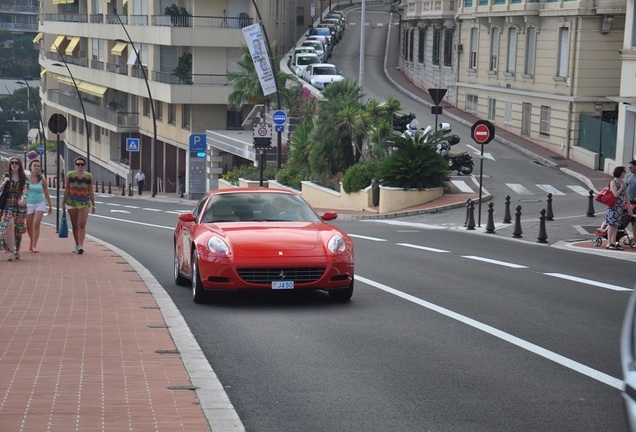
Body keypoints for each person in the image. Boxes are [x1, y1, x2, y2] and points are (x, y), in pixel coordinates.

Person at [62, 156, 96, 254]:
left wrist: (93, 204)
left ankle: (81, 245)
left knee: (82, 224)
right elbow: (67, 189)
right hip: (72, 201)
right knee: (74, 224)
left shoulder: (89, 176)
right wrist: (63, 202)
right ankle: (77, 244)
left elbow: (90, 191)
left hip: (84, 201)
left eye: (81, 164)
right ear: (75, 165)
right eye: (78, 164)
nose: (79, 166)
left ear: (84, 165)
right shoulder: (70, 175)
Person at [0, 157, 29, 261]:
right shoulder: (6, 175)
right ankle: (10, 251)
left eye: (16, 163)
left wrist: (23, 199)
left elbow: (26, 191)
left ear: (19, 165)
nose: (14, 165)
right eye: (12, 163)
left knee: (17, 230)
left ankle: (17, 250)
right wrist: (4, 182)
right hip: (8, 204)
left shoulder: (24, 178)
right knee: (6, 225)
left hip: (19, 206)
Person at [26, 159, 52, 253]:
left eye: (38, 166)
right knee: (29, 226)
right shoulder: (26, 178)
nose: (36, 167)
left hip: (39, 203)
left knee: (36, 223)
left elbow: (46, 192)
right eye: (35, 165)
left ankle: (34, 245)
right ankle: (31, 242)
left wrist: (50, 205)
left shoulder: (42, 179)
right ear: (30, 167)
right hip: (28, 203)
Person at [605, 165, 633, 250]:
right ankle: (609, 243)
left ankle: (613, 242)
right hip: (613, 207)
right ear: (620, 172)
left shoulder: (622, 182)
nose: (625, 173)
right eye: (624, 171)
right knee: (611, 224)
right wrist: (621, 187)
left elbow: (626, 196)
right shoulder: (613, 182)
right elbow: (615, 194)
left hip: (619, 207)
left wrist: (629, 207)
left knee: (616, 225)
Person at [626, 160, 636, 235]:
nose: (629, 169)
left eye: (631, 167)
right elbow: (626, 188)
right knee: (631, 221)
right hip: (629, 202)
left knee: (634, 222)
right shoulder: (629, 176)